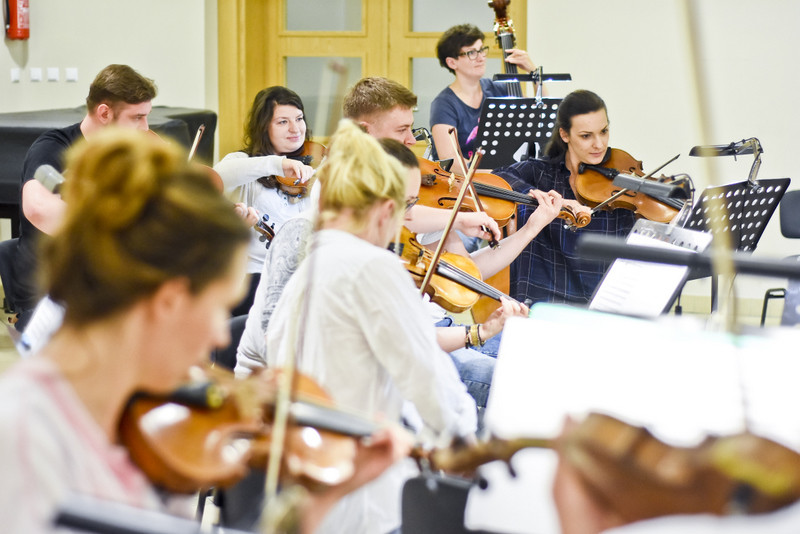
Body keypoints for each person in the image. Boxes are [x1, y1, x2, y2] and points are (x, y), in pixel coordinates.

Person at [0, 129, 412, 533]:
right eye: (216, 308)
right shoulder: (27, 436)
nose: (220, 336)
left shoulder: (155, 426)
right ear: (169, 300)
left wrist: (321, 501)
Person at [266, 120, 478, 534]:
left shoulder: (310, 270)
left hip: (313, 492)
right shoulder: (370, 266)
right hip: (366, 500)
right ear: (384, 211)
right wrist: (463, 445)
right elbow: (427, 376)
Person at [12, 64, 157, 331]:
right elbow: (38, 209)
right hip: (53, 295)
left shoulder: (127, 157)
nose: (145, 128)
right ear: (104, 113)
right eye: (137, 117)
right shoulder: (53, 147)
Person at [493, 89, 634, 305]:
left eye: (604, 131)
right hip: (544, 303)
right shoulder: (541, 173)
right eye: (586, 136)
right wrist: (535, 195)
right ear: (565, 135)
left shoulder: (620, 184)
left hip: (602, 307)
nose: (599, 144)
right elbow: (498, 177)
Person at [214, 86, 316, 316]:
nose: (295, 129)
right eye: (282, 122)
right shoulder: (244, 163)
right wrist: (278, 164)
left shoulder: (311, 169)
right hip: (254, 278)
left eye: (299, 119)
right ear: (264, 127)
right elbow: (219, 175)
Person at [431, 23, 540, 161]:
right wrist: (494, 173)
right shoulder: (444, 105)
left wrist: (534, 73)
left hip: (501, 176)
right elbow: (450, 161)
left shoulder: (499, 89)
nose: (481, 57)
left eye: (481, 50)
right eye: (471, 53)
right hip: (465, 181)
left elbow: (541, 115)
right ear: (452, 63)